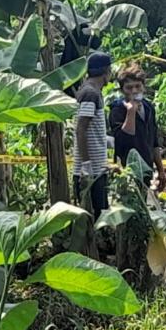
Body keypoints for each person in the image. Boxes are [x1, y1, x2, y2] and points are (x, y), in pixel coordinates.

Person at [109, 63, 166, 189]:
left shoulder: (148, 107)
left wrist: (161, 170)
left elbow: (154, 142)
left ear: (143, 87)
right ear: (122, 90)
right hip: (126, 173)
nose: (134, 91)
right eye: (129, 88)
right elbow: (122, 140)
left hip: (146, 169)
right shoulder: (118, 109)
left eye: (137, 86)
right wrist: (131, 112)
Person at [74, 52, 112, 220]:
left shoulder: (91, 91)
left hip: (97, 168)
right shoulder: (90, 94)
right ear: (106, 71)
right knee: (94, 219)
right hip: (91, 172)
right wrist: (86, 164)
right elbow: (80, 129)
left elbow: (89, 129)